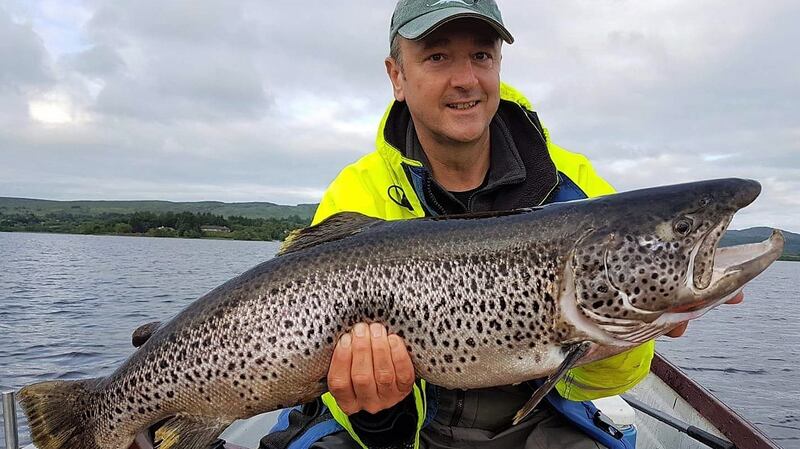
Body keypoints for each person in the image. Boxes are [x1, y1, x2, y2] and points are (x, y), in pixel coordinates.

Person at [132, 1, 743, 448]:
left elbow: (598, 380)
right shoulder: (356, 191)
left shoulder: (576, 188)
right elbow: (313, 375)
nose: (465, 79)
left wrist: (647, 325)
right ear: (397, 76)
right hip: (398, 427)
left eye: (481, 55)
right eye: (437, 57)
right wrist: (379, 418)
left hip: (538, 419)